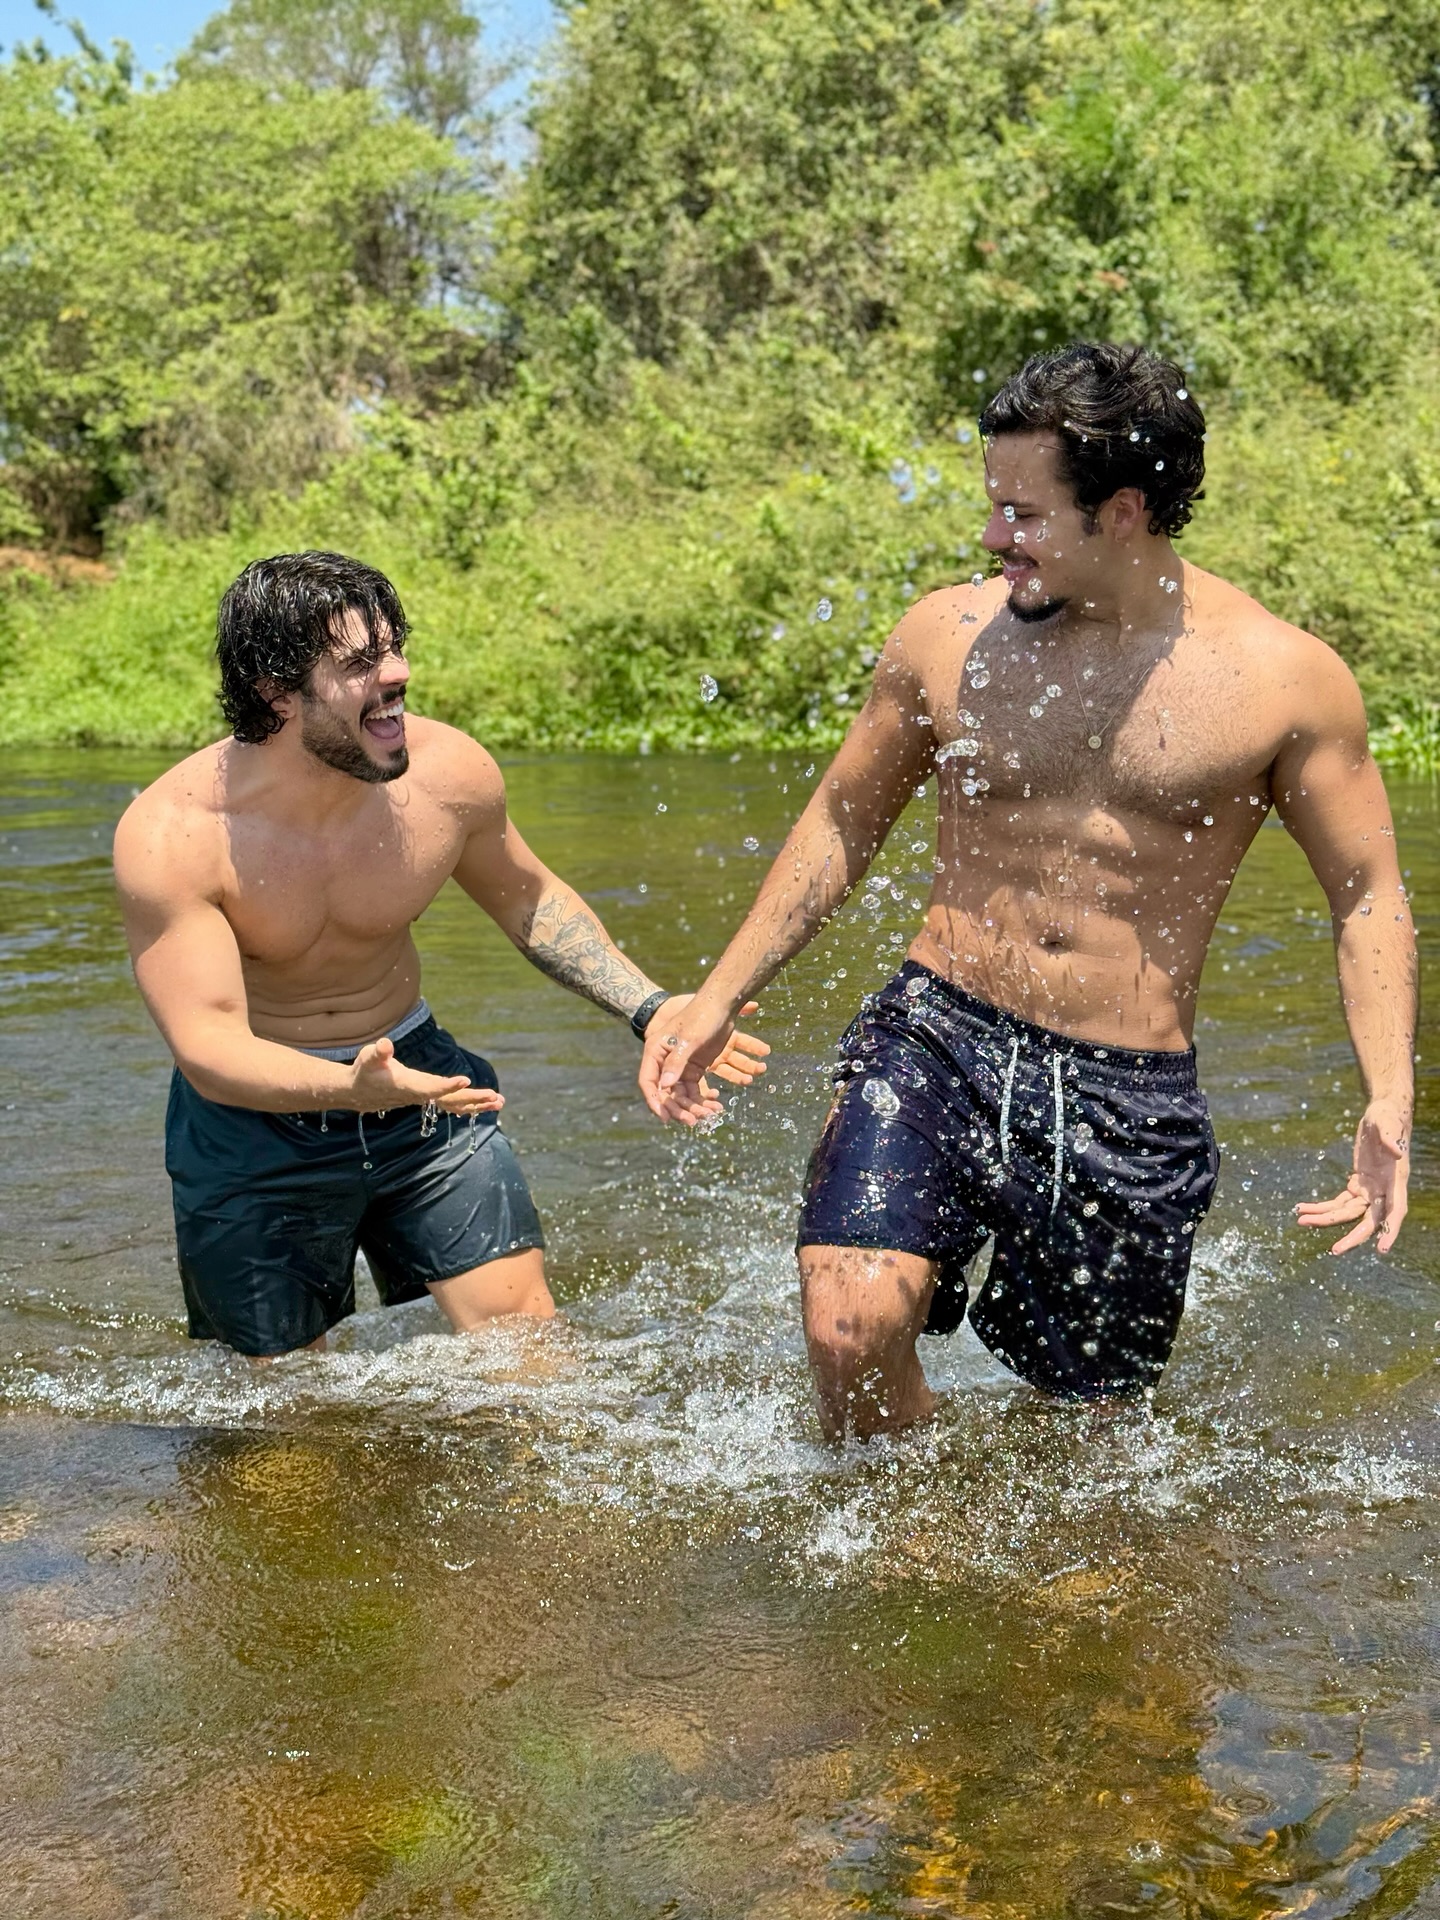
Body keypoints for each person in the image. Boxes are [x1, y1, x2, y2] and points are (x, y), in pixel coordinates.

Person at [640, 341, 1416, 1438]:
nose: (992, 537)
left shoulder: (1282, 680)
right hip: (940, 1034)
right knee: (850, 1325)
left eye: (1024, 514)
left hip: (1127, 1094)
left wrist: (1388, 1094)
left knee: (1087, 1442)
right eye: (993, 505)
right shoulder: (947, 635)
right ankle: (907, 1526)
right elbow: (842, 821)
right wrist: (715, 996)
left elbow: (1367, 893)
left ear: (1125, 512)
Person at [114, 551, 767, 1358]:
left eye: (395, 647)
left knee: (525, 1352)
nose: (398, 674)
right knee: (283, 1404)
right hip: (255, 1126)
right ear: (276, 690)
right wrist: (349, 1089)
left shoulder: (446, 775)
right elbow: (209, 1047)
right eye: (361, 663)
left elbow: (530, 900)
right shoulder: (175, 835)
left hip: (424, 1089)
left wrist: (649, 1006)